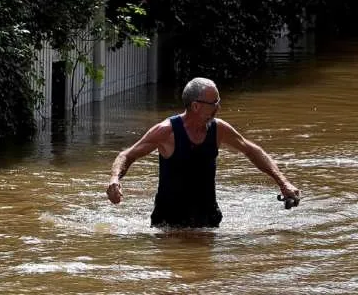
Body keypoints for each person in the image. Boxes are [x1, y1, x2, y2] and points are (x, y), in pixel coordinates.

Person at [105, 77, 301, 228]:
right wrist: (115, 179)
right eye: (214, 103)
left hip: (208, 219)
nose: (219, 107)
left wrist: (283, 182)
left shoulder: (219, 129)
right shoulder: (166, 131)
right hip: (168, 222)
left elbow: (252, 150)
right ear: (195, 106)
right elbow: (127, 155)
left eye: (218, 101)